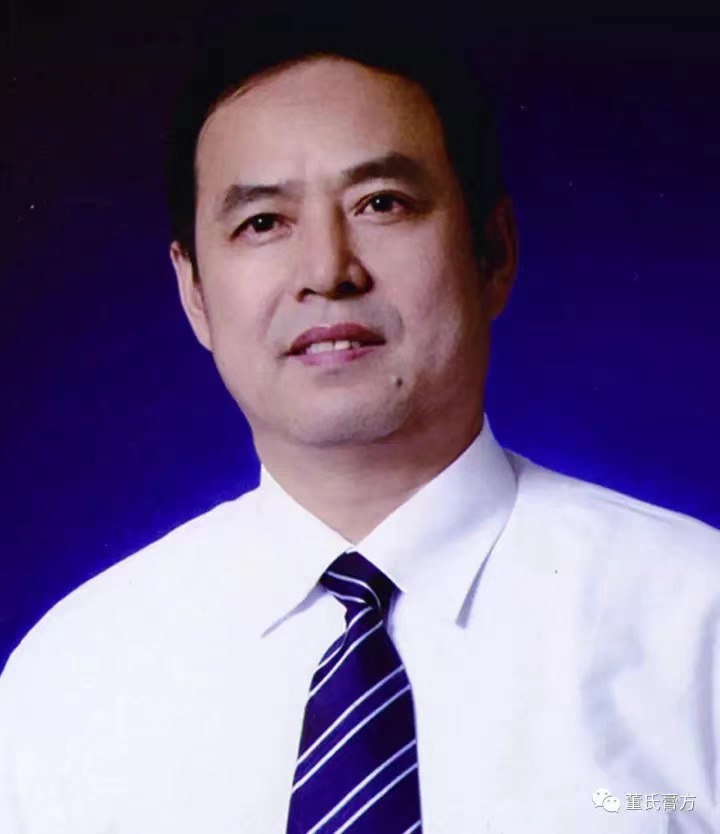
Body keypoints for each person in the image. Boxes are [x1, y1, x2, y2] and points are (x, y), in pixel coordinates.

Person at [1, 14, 718, 834]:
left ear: (492, 251)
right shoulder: (70, 679)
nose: (327, 271)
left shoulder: (697, 628)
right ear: (194, 293)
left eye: (382, 203)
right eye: (262, 222)